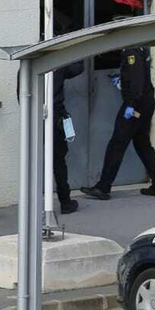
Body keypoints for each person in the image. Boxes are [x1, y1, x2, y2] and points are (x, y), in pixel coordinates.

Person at [80, 30, 155, 201]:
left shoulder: (131, 51)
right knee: (143, 144)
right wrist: (122, 80)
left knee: (117, 144)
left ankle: (103, 187)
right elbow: (138, 76)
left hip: (135, 106)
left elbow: (137, 81)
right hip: (146, 103)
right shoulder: (141, 47)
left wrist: (131, 104)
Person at [51, 58, 85, 215]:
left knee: (35, 163)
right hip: (54, 117)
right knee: (58, 162)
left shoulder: (26, 68)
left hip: (35, 117)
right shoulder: (56, 65)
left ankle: (32, 203)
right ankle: (65, 202)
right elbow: (78, 69)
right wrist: (79, 52)